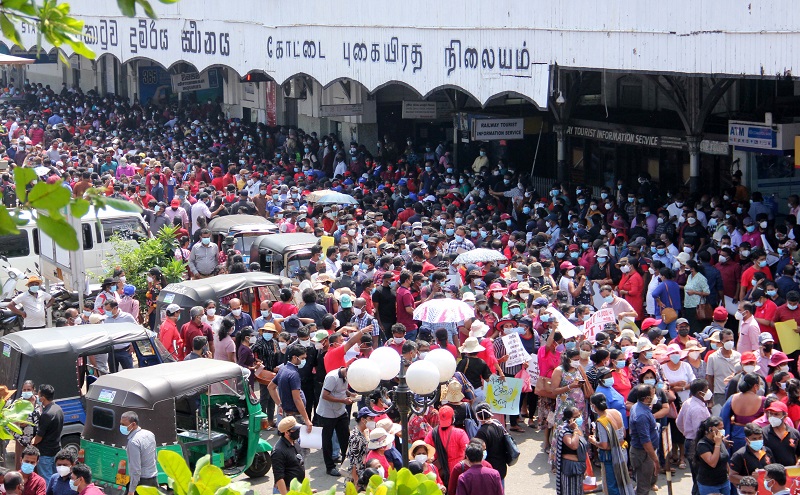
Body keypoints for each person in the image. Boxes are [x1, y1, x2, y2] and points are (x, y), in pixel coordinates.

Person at [587, 393, 633, 495]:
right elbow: (623, 433)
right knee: (622, 481)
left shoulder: (601, 421)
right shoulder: (616, 412)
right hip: (622, 451)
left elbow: (604, 445)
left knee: (612, 485)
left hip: (611, 455)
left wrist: (594, 441)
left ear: (593, 406)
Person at [675, 379, 712, 494]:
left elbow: (678, 422)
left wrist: (686, 433)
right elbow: (699, 432)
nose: (709, 392)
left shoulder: (688, 402)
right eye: (706, 390)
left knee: (696, 477)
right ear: (700, 393)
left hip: (689, 441)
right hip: (697, 444)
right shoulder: (698, 409)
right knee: (701, 478)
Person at [316, 366, 353, 476]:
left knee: (345, 438)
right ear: (347, 370)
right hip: (327, 413)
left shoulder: (346, 376)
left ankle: (346, 464)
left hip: (340, 411)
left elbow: (341, 389)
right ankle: (330, 467)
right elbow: (325, 395)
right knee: (327, 441)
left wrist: (351, 394)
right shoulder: (332, 377)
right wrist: (343, 400)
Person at [268, 345, 314, 433]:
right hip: (295, 415)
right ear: (294, 357)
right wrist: (307, 419)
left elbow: (271, 387)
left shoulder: (283, 369)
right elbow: (297, 399)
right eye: (302, 358)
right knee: (296, 438)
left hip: (287, 412)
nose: (304, 361)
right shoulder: (293, 374)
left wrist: (280, 404)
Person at [720, 373, 766, 454]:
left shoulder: (733, 397)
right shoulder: (762, 400)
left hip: (735, 436)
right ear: (756, 386)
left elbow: (723, 417)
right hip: (755, 438)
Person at [424, 405, 469, 489]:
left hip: (440, 474)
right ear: (453, 418)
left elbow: (424, 450)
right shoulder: (460, 433)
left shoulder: (432, 434)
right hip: (457, 473)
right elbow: (468, 452)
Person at [629, 384, 660, 495]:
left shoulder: (639, 407)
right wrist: (655, 459)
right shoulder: (641, 415)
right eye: (653, 394)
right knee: (643, 487)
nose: (655, 396)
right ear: (647, 398)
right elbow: (646, 442)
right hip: (643, 453)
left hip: (646, 452)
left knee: (647, 480)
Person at [120, 411, 158, 495]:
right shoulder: (150, 434)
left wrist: (131, 490)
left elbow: (136, 469)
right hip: (153, 480)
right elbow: (155, 457)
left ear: (133, 424)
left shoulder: (133, 442)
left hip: (141, 483)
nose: (121, 427)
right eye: (121, 424)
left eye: (124, 425)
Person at [729, 422, 773, 490]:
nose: (758, 440)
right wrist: (750, 479)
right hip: (749, 491)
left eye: (760, 438)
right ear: (747, 440)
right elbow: (732, 477)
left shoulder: (767, 450)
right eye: (754, 439)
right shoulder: (740, 455)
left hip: (766, 489)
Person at [694, 416, 731, 495]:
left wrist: (729, 473)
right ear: (711, 429)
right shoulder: (702, 445)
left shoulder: (720, 440)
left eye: (722, 428)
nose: (722, 431)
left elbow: (724, 458)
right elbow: (712, 463)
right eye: (720, 428)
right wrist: (717, 444)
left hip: (724, 482)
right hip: (709, 485)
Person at [32, 385, 62, 481]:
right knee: (56, 478)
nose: (37, 397)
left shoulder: (47, 414)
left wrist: (33, 442)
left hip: (45, 453)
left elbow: (39, 436)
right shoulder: (58, 408)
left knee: (46, 479)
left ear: (43, 398)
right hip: (56, 449)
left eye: (38, 395)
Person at [554, 406, 587, 495]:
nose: (579, 418)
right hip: (571, 467)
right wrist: (575, 430)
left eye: (579, 415)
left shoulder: (578, 429)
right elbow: (574, 445)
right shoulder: (565, 432)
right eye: (576, 417)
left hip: (580, 466)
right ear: (570, 419)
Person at [474, 403, 509, 481]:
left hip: (489, 470)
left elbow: (479, 453)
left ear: (478, 416)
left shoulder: (482, 432)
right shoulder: (498, 425)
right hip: (502, 467)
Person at [271, 417, 306, 495]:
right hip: (286, 491)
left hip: (297, 490)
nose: (298, 431)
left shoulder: (295, 443)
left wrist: (305, 489)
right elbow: (279, 478)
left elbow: (300, 465)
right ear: (287, 433)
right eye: (295, 430)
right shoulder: (278, 451)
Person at [761, 400, 800, 466]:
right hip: (771, 471)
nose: (772, 417)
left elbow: (798, 453)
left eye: (776, 414)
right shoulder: (763, 433)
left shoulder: (794, 433)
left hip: (790, 470)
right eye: (771, 414)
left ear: (785, 416)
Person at [13, 381, 41, 471]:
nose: (26, 391)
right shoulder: (18, 403)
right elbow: (13, 420)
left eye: (28, 389)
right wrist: (19, 423)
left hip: (35, 440)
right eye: (24, 390)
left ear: (33, 390)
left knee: (34, 464)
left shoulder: (39, 401)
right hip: (22, 440)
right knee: (21, 465)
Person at [346, 407, 378, 485]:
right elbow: (353, 461)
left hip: (362, 471)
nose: (373, 421)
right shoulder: (356, 437)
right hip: (357, 476)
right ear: (363, 419)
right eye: (370, 418)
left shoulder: (364, 431)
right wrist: (356, 481)